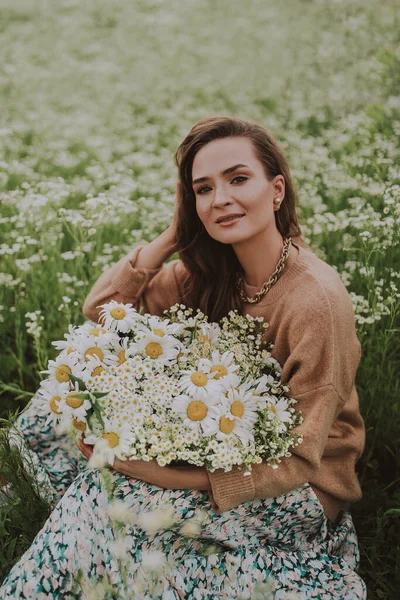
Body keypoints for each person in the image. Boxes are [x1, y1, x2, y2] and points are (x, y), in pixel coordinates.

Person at [0, 116, 367, 599]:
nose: (220, 199)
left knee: (107, 492)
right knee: (55, 405)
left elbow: (301, 456)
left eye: (238, 179)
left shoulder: (315, 299)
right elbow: (102, 312)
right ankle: (94, 534)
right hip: (213, 441)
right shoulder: (210, 272)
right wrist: (175, 234)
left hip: (298, 485)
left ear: (276, 189)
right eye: (203, 189)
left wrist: (164, 476)